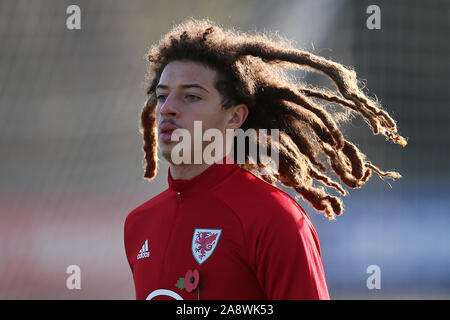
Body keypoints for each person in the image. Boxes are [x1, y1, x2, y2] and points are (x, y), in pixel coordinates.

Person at [124, 19, 407, 300]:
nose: (168, 109)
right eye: (162, 96)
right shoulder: (138, 224)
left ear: (235, 117)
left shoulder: (274, 218)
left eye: (192, 96)